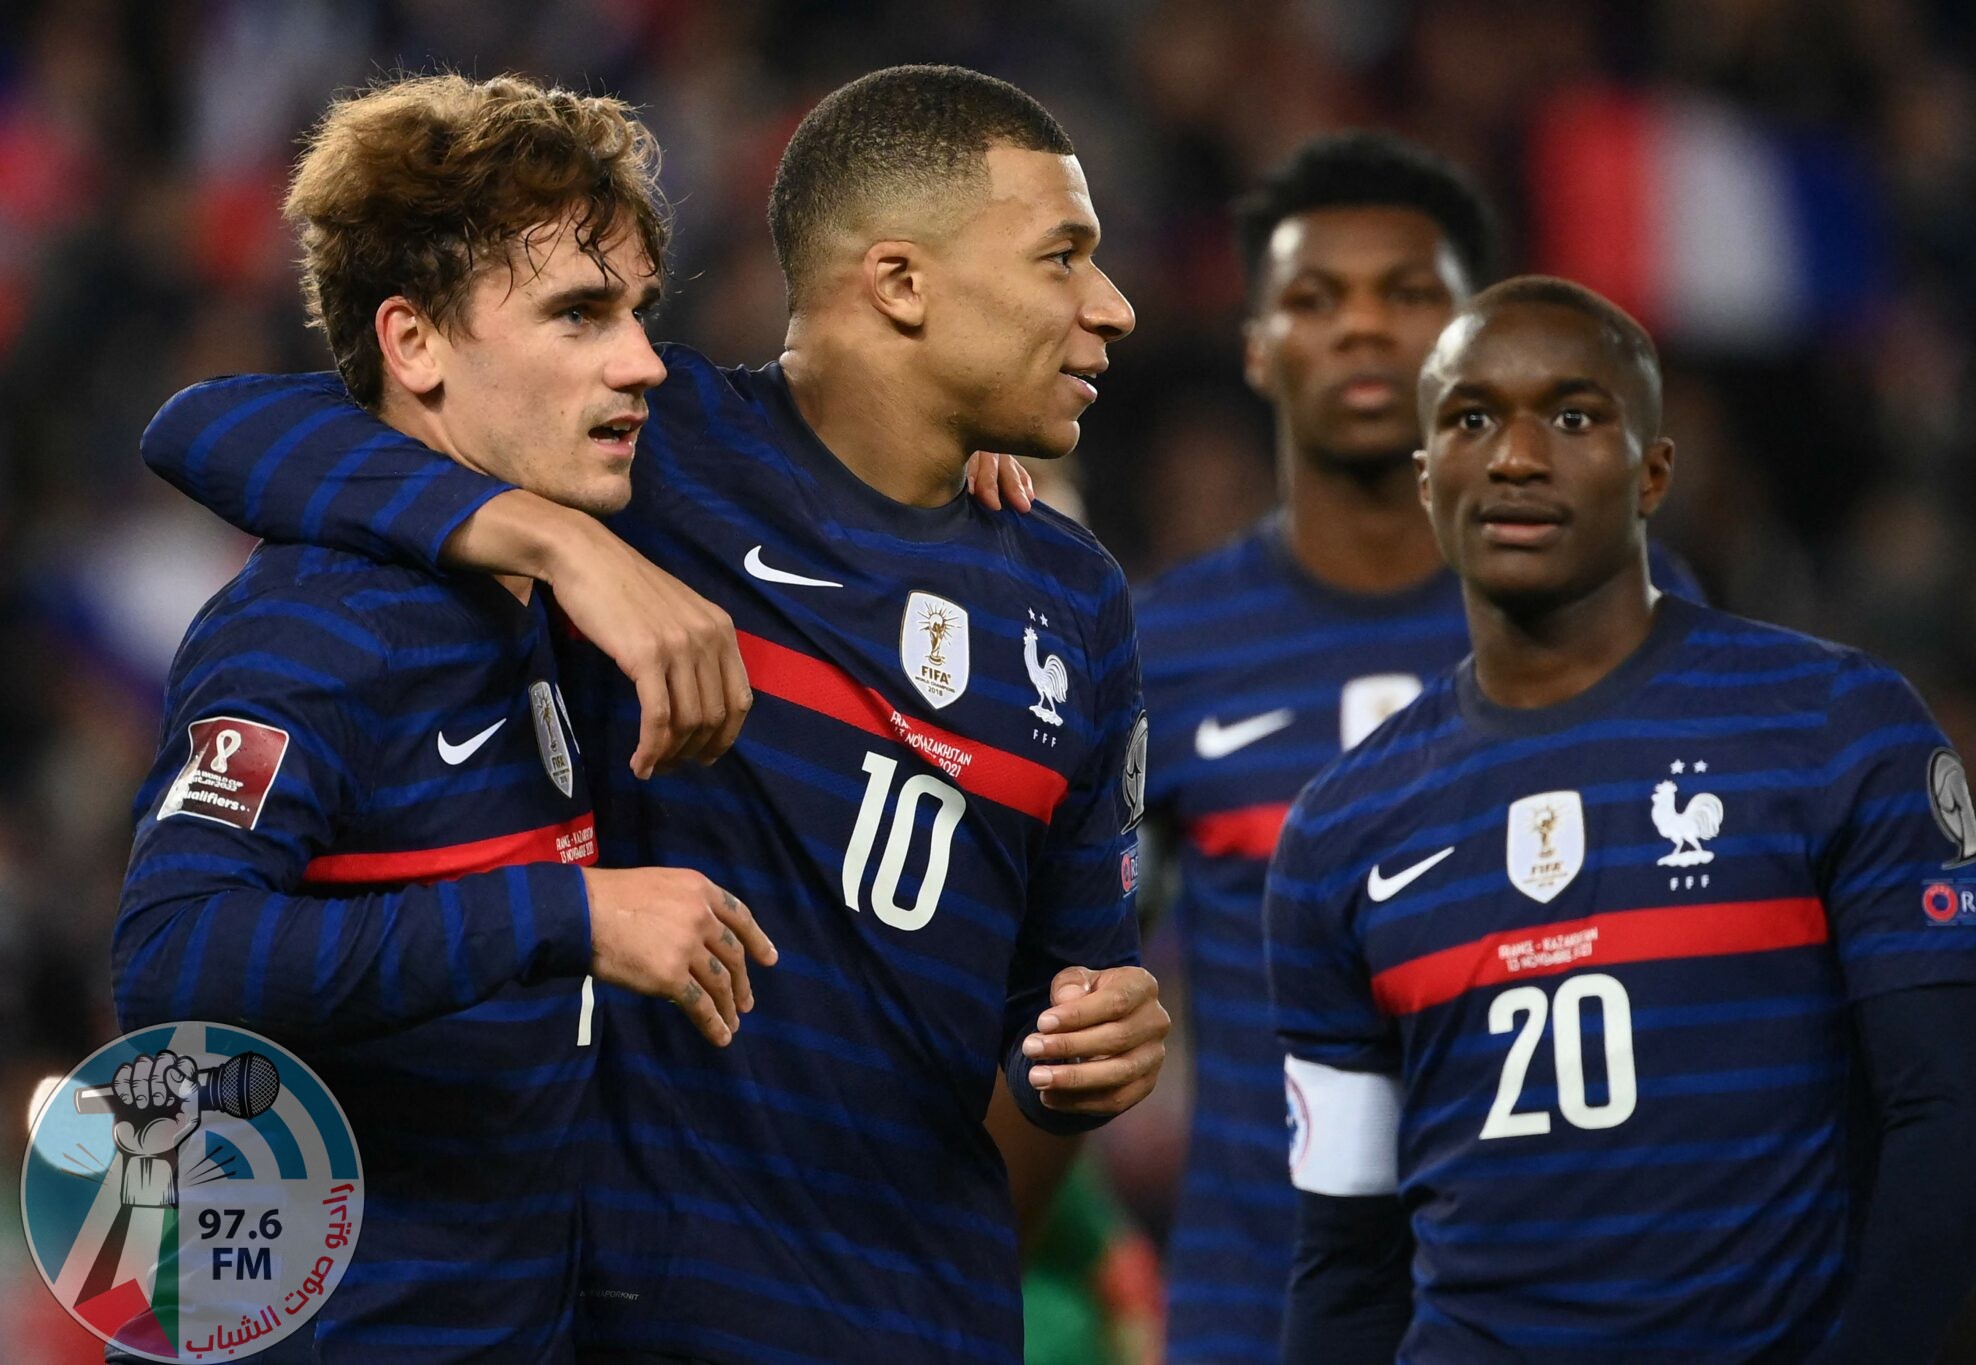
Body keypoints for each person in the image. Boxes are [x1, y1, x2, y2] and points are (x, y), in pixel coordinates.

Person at [139, 64, 1171, 1364]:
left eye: (633, 313)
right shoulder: (651, 464)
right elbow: (212, 427)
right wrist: (570, 549)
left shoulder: (1070, 594)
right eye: (1062, 257)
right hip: (643, 1312)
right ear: (901, 283)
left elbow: (1062, 986)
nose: (1115, 306)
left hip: (927, 1312)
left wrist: (1100, 1026)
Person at [111, 75, 778, 1362]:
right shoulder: (314, 628)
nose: (641, 359)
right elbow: (174, 957)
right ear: (412, 344)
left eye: (638, 312)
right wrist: (569, 916)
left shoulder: (529, 586)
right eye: (577, 314)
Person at [1266, 276, 1976, 1362]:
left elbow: (1941, 1137)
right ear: (1425, 479)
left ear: (1653, 470)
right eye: (1471, 419)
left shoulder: (1839, 732)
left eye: (1572, 416)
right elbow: (1343, 1253)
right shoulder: (1340, 830)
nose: (1516, 456)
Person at [1136, 131, 1698, 1363]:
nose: (1359, 330)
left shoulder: (1629, 607)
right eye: (1312, 298)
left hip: (1578, 1305)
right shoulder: (1161, 649)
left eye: (1407, 295)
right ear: (1254, 346)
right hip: (1260, 1310)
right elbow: (1072, 978)